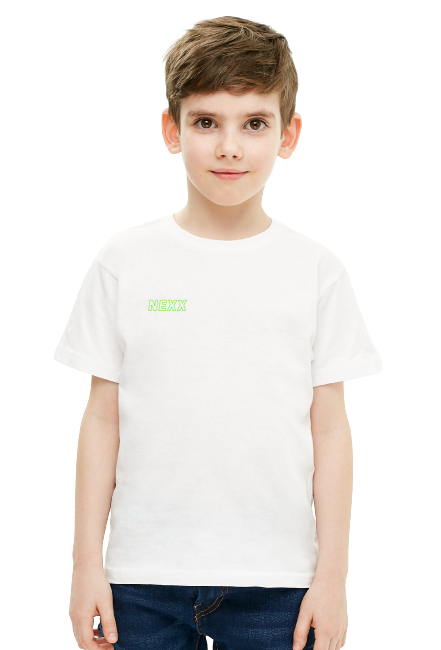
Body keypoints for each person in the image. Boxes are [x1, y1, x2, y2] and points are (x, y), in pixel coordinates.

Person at [55, 15, 382, 650]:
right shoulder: (125, 261)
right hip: (141, 579)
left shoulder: (316, 272)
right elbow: (101, 419)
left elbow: (330, 430)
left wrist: (333, 578)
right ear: (171, 130)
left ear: (288, 135)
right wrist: (85, 565)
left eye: (254, 123)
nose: (230, 147)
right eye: (206, 122)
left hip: (279, 582)